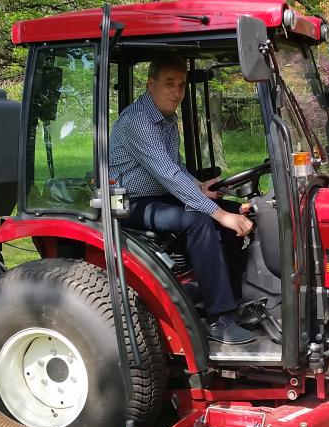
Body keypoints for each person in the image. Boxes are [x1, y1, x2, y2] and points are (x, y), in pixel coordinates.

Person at [109, 54, 257, 345]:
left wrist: (201, 187)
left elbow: (174, 165)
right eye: (169, 84)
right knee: (200, 221)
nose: (177, 92)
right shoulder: (137, 121)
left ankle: (234, 296)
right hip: (128, 203)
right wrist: (218, 214)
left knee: (235, 211)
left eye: (181, 85)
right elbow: (167, 175)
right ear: (151, 85)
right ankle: (219, 319)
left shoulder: (166, 118)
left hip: (158, 194)